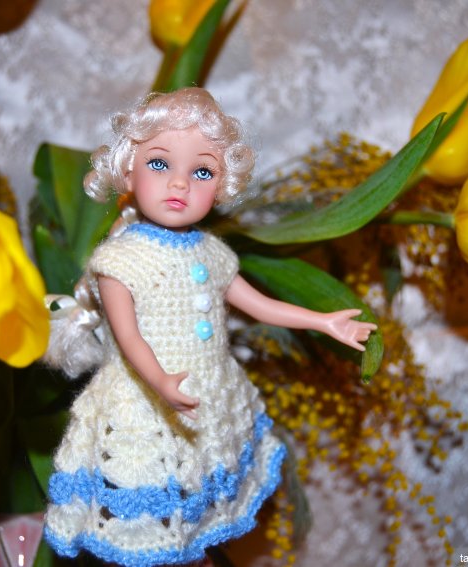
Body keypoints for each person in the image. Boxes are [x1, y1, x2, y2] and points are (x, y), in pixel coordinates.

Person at [43, 87, 376, 566]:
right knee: (149, 510)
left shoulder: (211, 252)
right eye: (160, 164)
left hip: (208, 396)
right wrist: (160, 381)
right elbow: (129, 337)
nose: (179, 184)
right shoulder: (120, 261)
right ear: (128, 171)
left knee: (200, 508)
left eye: (201, 172)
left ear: (221, 186)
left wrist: (323, 321)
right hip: (145, 405)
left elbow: (259, 305)